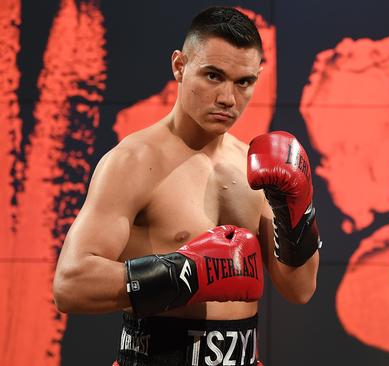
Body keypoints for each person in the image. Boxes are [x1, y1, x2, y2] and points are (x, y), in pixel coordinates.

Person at [52, 7, 320, 366]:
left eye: (244, 82)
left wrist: (296, 215)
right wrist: (185, 273)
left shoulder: (258, 169)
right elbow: (70, 284)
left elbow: (300, 289)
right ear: (179, 66)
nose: (228, 98)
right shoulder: (133, 162)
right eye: (213, 75)